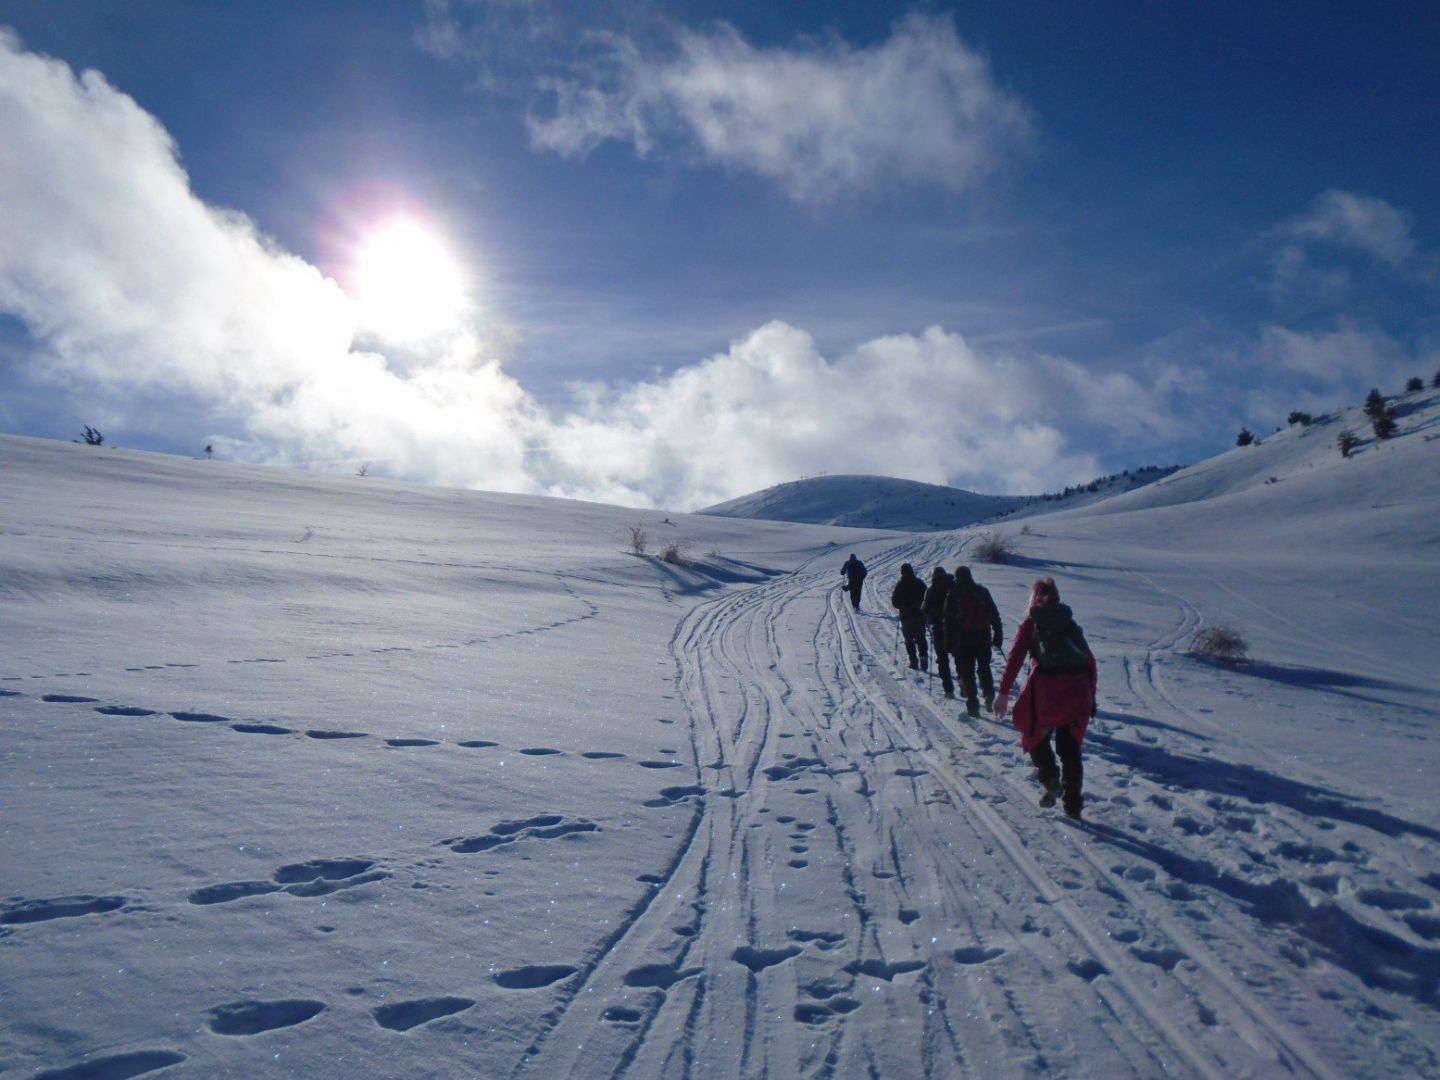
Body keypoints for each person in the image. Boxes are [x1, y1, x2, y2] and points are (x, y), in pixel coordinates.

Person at [995, 577, 1097, 820]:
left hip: (1046, 694)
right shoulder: (1069, 622)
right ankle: (1073, 805)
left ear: (1034, 598)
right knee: (1070, 749)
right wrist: (1090, 695)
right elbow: (1089, 661)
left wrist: (1003, 693)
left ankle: (1050, 777)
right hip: (1078, 693)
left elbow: (1015, 660)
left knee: (1034, 736)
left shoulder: (1032, 624)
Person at [943, 566, 1002, 717]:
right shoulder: (982, 591)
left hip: (963, 640)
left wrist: (948, 642)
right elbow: (994, 613)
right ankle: (989, 694)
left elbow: (948, 621)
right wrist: (998, 633)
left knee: (968, 672)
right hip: (983, 637)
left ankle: (973, 705)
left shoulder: (953, 594)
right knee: (984, 667)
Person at [922, 567, 955, 697]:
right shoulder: (954, 587)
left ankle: (948, 689)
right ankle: (964, 680)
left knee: (942, 658)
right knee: (960, 657)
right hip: (956, 627)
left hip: (939, 628)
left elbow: (924, 609)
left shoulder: (931, 590)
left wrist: (931, 617)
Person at [889, 563, 929, 670]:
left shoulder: (900, 584)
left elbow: (895, 602)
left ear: (902, 572)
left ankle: (913, 662)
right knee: (921, 637)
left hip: (906, 616)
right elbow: (927, 597)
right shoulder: (920, 583)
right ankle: (923, 658)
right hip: (920, 615)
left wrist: (902, 605)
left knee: (909, 639)